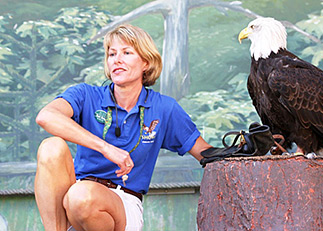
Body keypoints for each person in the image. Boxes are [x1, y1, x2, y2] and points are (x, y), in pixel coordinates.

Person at [34, 24, 212, 231]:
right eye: (112, 54)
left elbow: (205, 153)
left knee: (81, 196)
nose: (116, 60)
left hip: (121, 203)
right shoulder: (85, 94)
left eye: (127, 53)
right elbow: (46, 116)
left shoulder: (164, 108)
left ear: (146, 62)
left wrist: (246, 151)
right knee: (51, 147)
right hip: (74, 204)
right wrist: (105, 148)